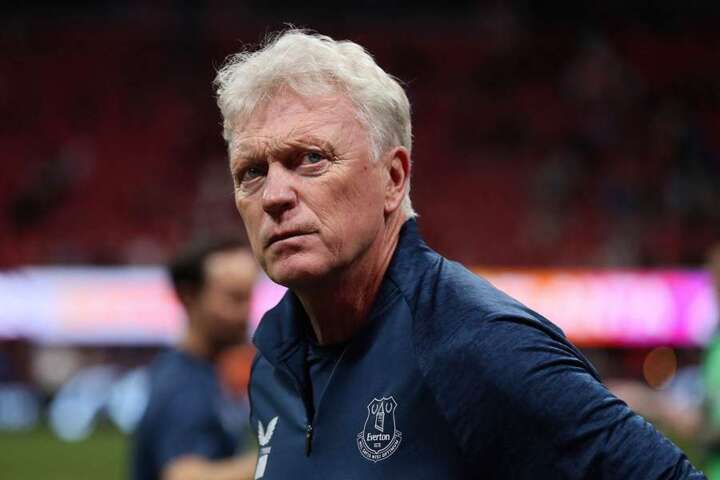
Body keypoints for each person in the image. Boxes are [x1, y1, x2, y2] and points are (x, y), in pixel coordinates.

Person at [214, 29, 707, 478]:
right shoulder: (275, 362)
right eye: (252, 172)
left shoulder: (477, 345)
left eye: (311, 159)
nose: (274, 195)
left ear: (393, 179)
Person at [132, 239, 258, 480]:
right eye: (234, 298)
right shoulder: (183, 385)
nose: (245, 313)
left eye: (248, 298)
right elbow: (183, 475)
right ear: (188, 295)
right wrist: (278, 458)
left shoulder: (200, 371)